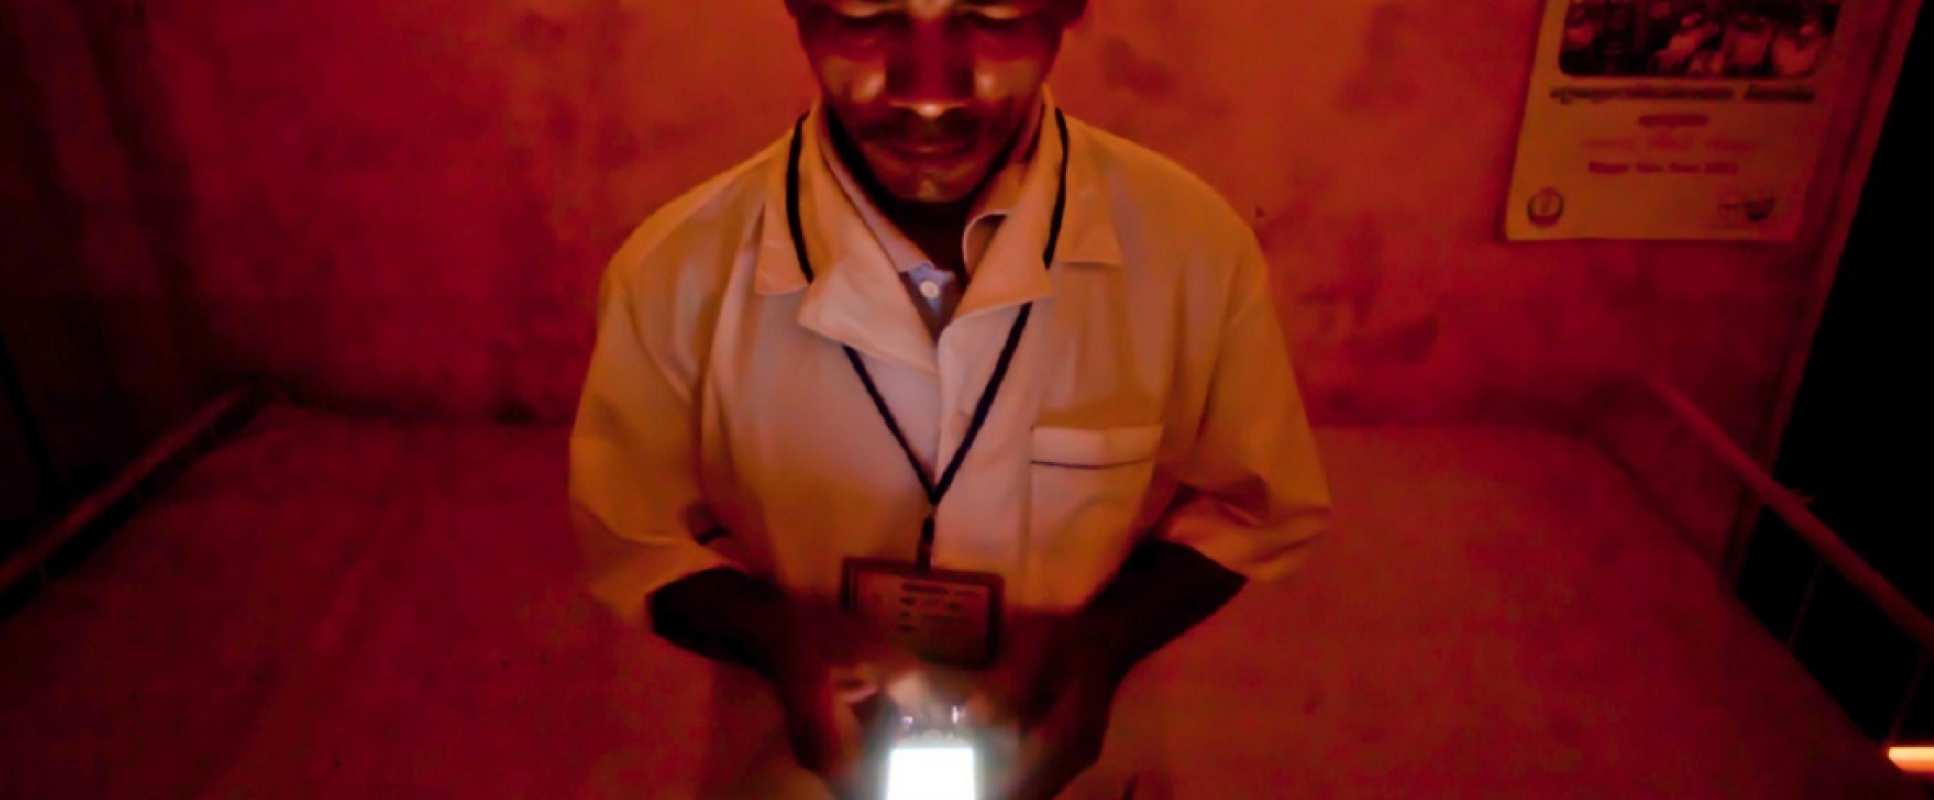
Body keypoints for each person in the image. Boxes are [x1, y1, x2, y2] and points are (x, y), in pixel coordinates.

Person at [568, 0, 1331, 797]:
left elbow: (1251, 505)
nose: (928, 90)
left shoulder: (1189, 249)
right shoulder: (673, 271)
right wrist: (774, 635)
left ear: (1068, 10)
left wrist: (1105, 641)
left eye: (992, 15)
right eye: (867, 14)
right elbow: (636, 537)